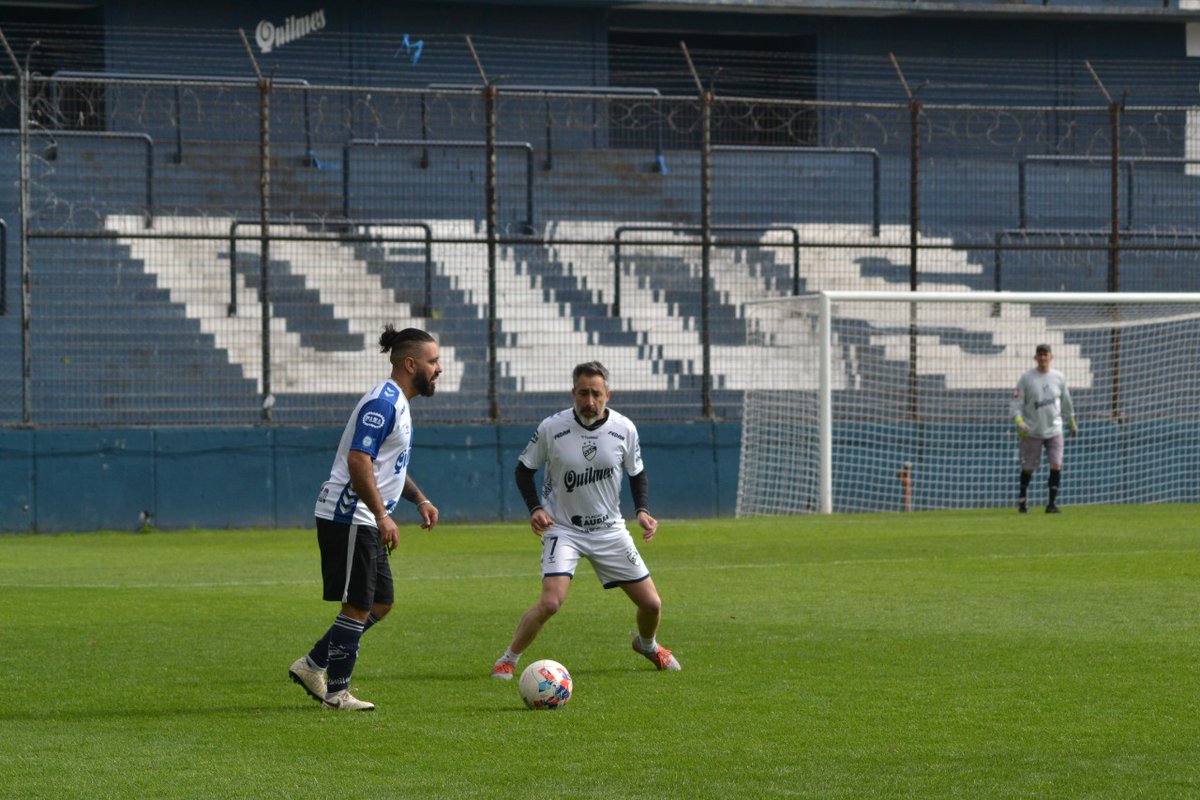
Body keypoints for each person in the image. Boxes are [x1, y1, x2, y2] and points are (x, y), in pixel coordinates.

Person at [491, 361, 680, 679]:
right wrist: (535, 507)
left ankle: (647, 644)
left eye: (596, 393)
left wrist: (643, 511)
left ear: (608, 393)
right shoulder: (553, 427)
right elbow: (524, 469)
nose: (589, 401)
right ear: (573, 393)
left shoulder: (625, 428)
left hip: (610, 530)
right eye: (583, 393)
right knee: (551, 602)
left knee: (652, 604)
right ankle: (508, 658)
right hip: (563, 529)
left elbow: (637, 473)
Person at [288, 325, 442, 711]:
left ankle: (312, 664)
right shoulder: (384, 402)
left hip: (365, 516)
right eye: (433, 361)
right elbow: (360, 461)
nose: (439, 368)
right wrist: (380, 514)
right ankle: (337, 694)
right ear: (410, 363)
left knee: (381, 602)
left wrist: (419, 499)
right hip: (350, 513)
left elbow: (388, 467)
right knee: (358, 603)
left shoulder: (399, 402)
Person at [1010, 343, 1077, 514]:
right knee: (1028, 468)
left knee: (1056, 464)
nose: (1042, 357)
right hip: (1032, 430)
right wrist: (1019, 420)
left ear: (1051, 357)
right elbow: (1016, 402)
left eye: (1045, 354)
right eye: (1039, 354)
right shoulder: (1026, 379)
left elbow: (1066, 401)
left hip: (1055, 429)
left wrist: (1071, 421)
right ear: (1035, 357)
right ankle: (1023, 500)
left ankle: (1051, 504)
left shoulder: (1059, 377)